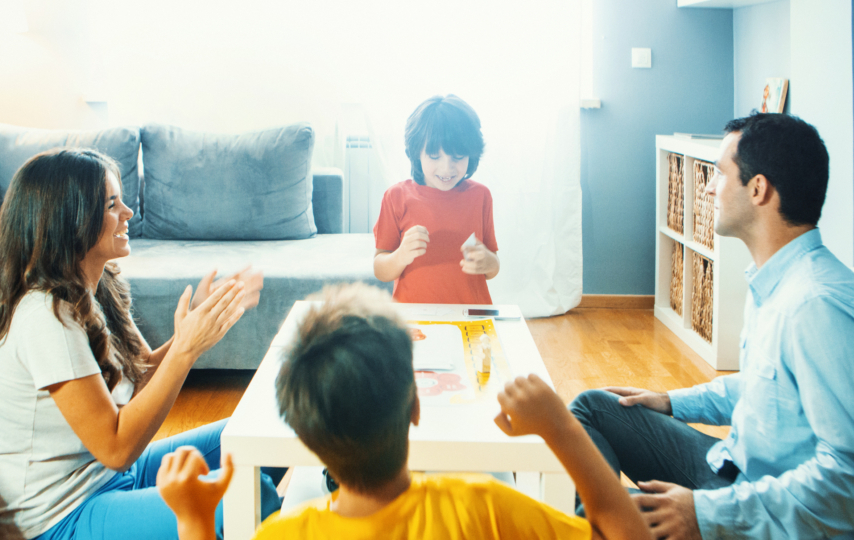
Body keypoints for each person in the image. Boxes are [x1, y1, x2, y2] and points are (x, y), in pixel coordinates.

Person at [569, 113, 854, 539]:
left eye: (720, 174)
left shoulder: (816, 308)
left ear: (758, 189)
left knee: (614, 512)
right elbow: (764, 387)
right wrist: (671, 400)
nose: (708, 186)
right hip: (737, 471)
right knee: (595, 407)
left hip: (773, 514)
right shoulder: (777, 281)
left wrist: (706, 514)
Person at [158, 283, 646, 539]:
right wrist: (561, 427)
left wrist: (195, 520)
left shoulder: (287, 532)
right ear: (416, 406)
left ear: (305, 437)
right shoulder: (482, 508)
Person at [0, 148, 280, 540]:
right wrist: (186, 349)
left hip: (111, 479)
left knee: (265, 434)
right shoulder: (44, 316)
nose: (128, 213)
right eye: (112, 205)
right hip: (61, 519)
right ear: (70, 219)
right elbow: (116, 446)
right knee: (253, 497)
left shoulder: (96, 288)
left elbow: (140, 376)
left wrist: (194, 326)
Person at [373, 94, 500, 304]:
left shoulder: (481, 196)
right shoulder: (395, 197)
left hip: (471, 316)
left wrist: (488, 263)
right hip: (415, 317)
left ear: (472, 154)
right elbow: (380, 269)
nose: (446, 168)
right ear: (416, 154)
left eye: (458, 157)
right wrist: (401, 255)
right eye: (434, 156)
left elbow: (493, 267)